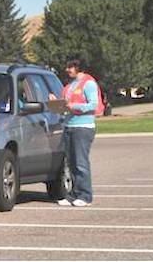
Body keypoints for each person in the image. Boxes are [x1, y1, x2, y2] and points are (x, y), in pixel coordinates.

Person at [56, 59, 100, 207]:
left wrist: (73, 105)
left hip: (83, 127)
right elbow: (64, 107)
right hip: (68, 126)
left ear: (78, 68)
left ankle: (85, 195)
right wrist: (56, 103)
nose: (67, 70)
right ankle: (73, 194)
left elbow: (93, 104)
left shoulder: (88, 84)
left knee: (81, 163)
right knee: (71, 163)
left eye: (70, 67)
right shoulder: (69, 86)